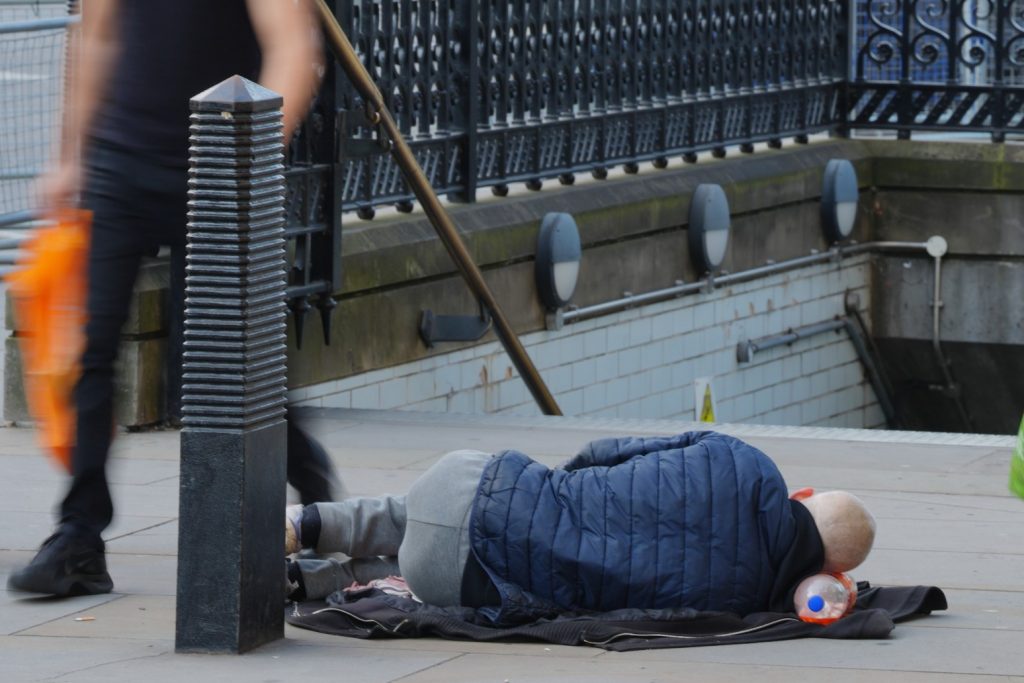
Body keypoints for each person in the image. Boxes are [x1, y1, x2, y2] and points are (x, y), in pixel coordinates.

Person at [8, 0, 338, 598]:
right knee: (88, 349)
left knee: (222, 365)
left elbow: (292, 47)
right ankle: (79, 535)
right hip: (118, 162)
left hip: (215, 158)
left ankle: (316, 496)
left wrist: (246, 157)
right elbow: (97, 38)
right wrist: (68, 160)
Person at [283, 431, 876, 622]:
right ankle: (315, 584)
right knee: (424, 562)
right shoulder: (748, 602)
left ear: (804, 494)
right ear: (832, 572)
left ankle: (304, 523)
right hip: (459, 579)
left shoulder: (744, 460)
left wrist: (562, 487)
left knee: (402, 512)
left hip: (472, 486)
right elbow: (638, 620)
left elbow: (608, 451)